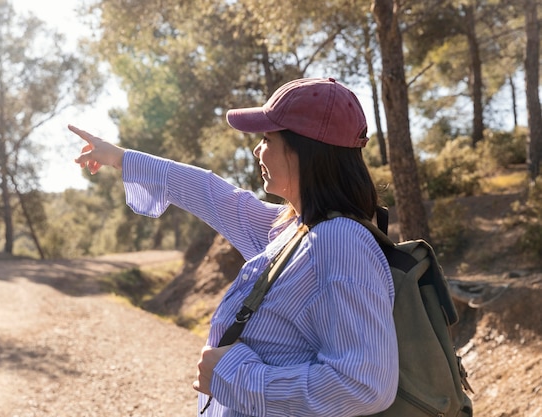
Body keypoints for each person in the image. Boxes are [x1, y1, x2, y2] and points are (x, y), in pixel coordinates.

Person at [69, 77, 398, 417]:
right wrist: (121, 158)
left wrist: (234, 376)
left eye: (268, 139)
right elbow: (214, 195)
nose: (257, 149)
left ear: (305, 150)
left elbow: (364, 385)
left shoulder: (339, 242)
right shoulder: (293, 231)